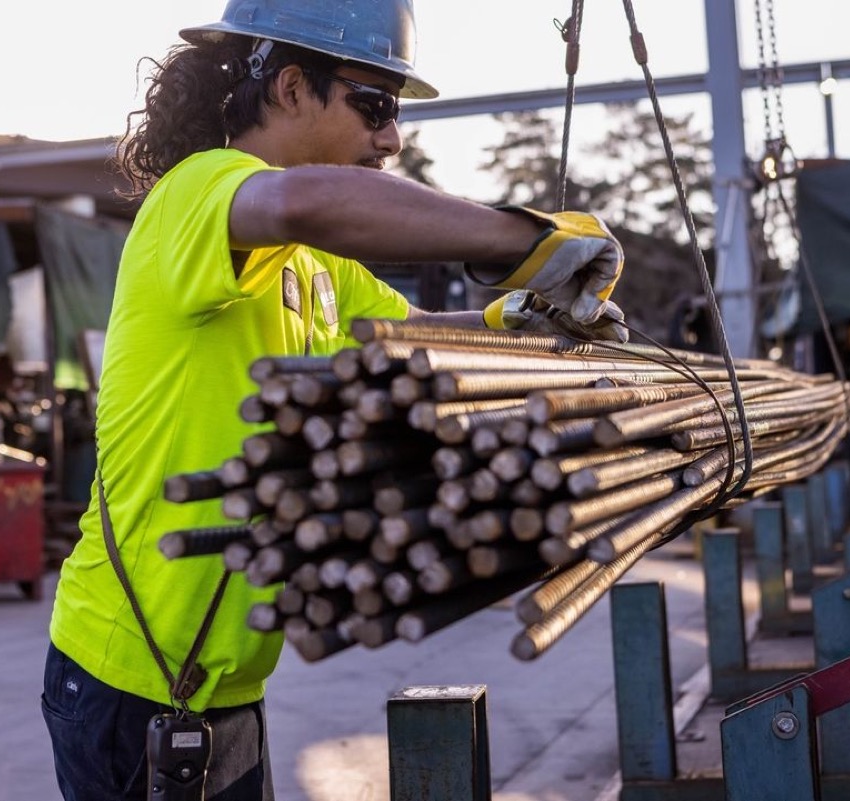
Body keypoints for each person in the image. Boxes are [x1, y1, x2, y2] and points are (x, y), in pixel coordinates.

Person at [41, 1, 628, 799]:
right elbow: (299, 201)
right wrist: (524, 239)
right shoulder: (196, 193)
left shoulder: (311, 266)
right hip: (127, 677)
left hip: (220, 683)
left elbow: (411, 334)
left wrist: (517, 318)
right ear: (289, 87)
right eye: (375, 105)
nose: (392, 137)